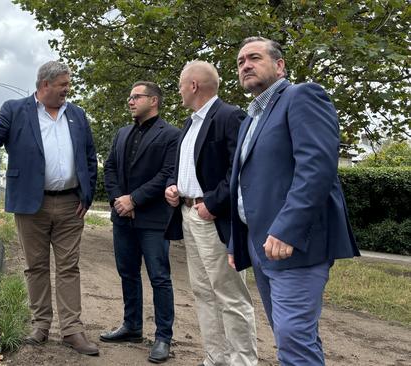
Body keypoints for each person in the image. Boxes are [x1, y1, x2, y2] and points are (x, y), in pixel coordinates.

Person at [228, 37, 360, 365]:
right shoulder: (250, 119)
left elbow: (316, 169)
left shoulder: (302, 96)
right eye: (241, 61)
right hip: (260, 246)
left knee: (293, 338)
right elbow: (246, 185)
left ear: (279, 65)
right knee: (290, 335)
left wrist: (287, 229)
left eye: (254, 58)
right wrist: (236, 240)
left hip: (295, 245)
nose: (245, 65)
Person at [0, 61, 99, 356]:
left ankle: (72, 330)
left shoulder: (76, 115)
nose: (68, 89)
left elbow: (89, 156)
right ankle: (40, 325)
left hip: (69, 204)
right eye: (63, 84)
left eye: (68, 84)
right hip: (30, 204)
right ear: (45, 85)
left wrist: (87, 196)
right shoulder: (16, 109)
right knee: (35, 266)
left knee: (68, 266)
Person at [164, 61, 258, 366]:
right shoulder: (189, 124)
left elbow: (241, 169)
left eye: (180, 85)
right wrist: (173, 187)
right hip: (188, 214)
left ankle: (242, 362)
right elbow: (186, 168)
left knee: (230, 295)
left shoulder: (230, 116)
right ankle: (215, 359)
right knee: (203, 292)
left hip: (213, 218)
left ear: (193, 86)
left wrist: (213, 204)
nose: (178, 91)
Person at [101, 81, 180, 363]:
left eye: (136, 96)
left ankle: (163, 338)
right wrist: (117, 201)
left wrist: (134, 199)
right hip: (122, 217)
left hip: (153, 218)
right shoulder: (122, 133)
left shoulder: (171, 135)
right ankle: (132, 327)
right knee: (128, 273)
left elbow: (168, 173)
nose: (130, 101)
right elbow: (109, 168)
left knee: (159, 278)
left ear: (154, 100)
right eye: (129, 96)